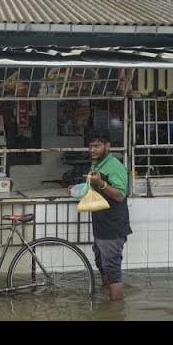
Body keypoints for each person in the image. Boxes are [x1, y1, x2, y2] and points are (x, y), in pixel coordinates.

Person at [68, 129, 132, 301]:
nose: (92, 150)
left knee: (112, 270)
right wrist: (78, 188)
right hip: (100, 224)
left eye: (97, 146)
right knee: (101, 264)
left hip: (113, 226)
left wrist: (101, 183)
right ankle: (107, 303)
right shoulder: (96, 164)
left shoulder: (114, 166)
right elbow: (93, 187)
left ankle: (116, 311)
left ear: (108, 146)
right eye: (90, 146)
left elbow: (120, 195)